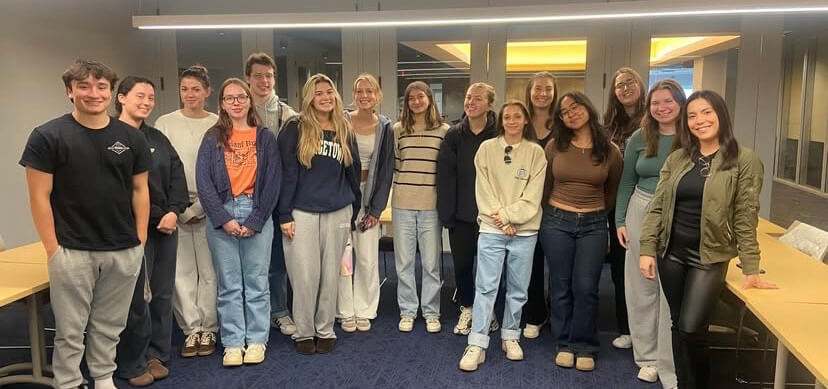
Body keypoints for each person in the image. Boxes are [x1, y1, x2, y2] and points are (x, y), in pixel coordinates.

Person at [20, 59, 151, 389]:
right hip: (71, 250)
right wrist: (53, 249)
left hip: (123, 249)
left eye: (101, 86)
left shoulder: (130, 138)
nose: (93, 93)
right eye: (84, 86)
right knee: (70, 329)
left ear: (111, 92)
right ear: (69, 91)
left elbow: (140, 190)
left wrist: (139, 240)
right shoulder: (48, 136)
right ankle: (68, 382)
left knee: (110, 323)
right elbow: (39, 197)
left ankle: (104, 377)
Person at [639, 90, 777, 388]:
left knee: (691, 328)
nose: (699, 120)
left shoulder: (744, 159)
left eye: (706, 113)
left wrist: (751, 267)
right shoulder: (679, 157)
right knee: (679, 325)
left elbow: (745, 215)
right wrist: (647, 249)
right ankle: (681, 382)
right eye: (692, 115)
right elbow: (658, 207)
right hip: (670, 252)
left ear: (721, 115)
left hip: (709, 257)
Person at [196, 78, 280, 367]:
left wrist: (256, 220)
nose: (236, 102)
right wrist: (223, 219)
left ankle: (257, 340)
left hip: (256, 210)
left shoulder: (264, 137)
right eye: (229, 98)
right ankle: (233, 343)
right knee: (230, 284)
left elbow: (273, 182)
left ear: (249, 101)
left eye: (241, 97)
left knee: (257, 281)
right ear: (221, 103)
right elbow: (203, 182)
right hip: (223, 212)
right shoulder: (212, 137)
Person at [458, 101, 546, 372]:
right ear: (501, 120)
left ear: (525, 120)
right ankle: (478, 343)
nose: (511, 120)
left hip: (524, 230)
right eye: (507, 116)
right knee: (486, 287)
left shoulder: (535, 152)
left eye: (517, 116)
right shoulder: (486, 149)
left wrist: (510, 217)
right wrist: (501, 217)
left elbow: (534, 194)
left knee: (518, 289)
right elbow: (483, 189)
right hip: (492, 228)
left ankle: (510, 336)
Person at [114, 77, 189, 387]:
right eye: (139, 96)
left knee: (161, 294)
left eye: (150, 97)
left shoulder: (157, 137)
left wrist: (174, 211)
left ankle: (157, 353)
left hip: (164, 229)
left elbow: (177, 174)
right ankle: (133, 359)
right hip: (128, 232)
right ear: (121, 98)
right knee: (134, 300)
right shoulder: (109, 137)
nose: (146, 102)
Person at [278, 73, 361, 355]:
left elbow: (353, 171)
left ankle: (325, 328)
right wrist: (284, 214)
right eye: (318, 93)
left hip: (338, 211)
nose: (325, 97)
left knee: (329, 275)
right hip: (301, 212)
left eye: (329, 92)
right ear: (309, 98)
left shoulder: (344, 128)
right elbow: (286, 174)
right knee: (304, 275)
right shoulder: (295, 127)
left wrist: (354, 208)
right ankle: (304, 331)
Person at [541, 91, 623, 372]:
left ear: (587, 107)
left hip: (593, 225)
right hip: (556, 222)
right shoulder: (555, 146)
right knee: (560, 287)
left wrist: (594, 210)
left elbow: (612, 191)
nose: (571, 113)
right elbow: (545, 185)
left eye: (575, 107)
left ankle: (585, 345)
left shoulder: (610, 150)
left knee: (586, 287)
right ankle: (563, 343)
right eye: (564, 112)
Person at [614, 79, 684, 387]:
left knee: (671, 287)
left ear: (680, 103)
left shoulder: (692, 137)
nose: (662, 107)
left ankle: (669, 361)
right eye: (656, 103)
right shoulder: (639, 138)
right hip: (640, 209)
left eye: (668, 101)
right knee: (642, 286)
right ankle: (647, 357)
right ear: (649, 106)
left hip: (680, 213)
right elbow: (626, 182)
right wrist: (620, 221)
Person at [155, 65, 220, 358]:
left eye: (196, 89)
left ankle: (209, 327)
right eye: (184, 89)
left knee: (210, 271)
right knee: (181, 272)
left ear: (207, 91)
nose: (190, 94)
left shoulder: (219, 123)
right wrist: (178, 208)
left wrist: (203, 205)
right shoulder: (165, 123)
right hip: (174, 208)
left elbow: (224, 172)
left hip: (211, 205)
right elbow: (160, 170)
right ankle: (191, 329)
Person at [243, 52, 299, 336]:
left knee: (277, 260)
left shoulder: (288, 115)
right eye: (258, 76)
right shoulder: (237, 111)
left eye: (269, 75)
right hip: (243, 198)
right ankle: (252, 314)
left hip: (276, 199)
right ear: (247, 79)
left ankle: (279, 311)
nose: (264, 81)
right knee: (249, 262)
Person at [437, 82, 497, 336]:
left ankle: (489, 312)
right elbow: (445, 177)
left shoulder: (500, 134)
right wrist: (446, 213)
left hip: (491, 217)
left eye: (478, 99)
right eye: (468, 97)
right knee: (461, 266)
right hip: (461, 215)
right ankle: (467, 307)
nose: (471, 102)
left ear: (489, 104)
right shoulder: (453, 135)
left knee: (489, 270)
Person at [336, 73, 393, 333]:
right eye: (360, 91)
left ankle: (365, 308)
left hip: (370, 196)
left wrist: (376, 209)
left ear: (378, 95)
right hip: (343, 196)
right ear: (353, 94)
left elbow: (386, 171)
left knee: (368, 259)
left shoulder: (385, 126)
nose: (365, 95)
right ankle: (345, 311)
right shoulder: (341, 122)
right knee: (344, 259)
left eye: (370, 91)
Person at [392, 81, 450, 333]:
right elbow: (395, 165)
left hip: (431, 205)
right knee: (403, 263)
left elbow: (445, 169)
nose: (416, 101)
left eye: (420, 97)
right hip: (403, 203)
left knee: (431, 263)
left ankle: (431, 312)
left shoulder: (444, 130)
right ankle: (407, 311)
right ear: (406, 103)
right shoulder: (398, 130)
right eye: (411, 98)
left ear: (429, 99)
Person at [603, 67, 646, 350]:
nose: (625, 88)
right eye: (619, 86)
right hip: (616, 205)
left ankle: (647, 331)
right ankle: (626, 327)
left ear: (640, 85)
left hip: (644, 204)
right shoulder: (609, 126)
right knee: (620, 268)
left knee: (644, 268)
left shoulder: (653, 121)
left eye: (629, 83)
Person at [521, 71, 557, 339]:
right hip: (526, 204)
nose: (542, 93)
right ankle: (534, 314)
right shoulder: (521, 123)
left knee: (559, 265)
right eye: (537, 89)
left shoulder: (563, 124)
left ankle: (559, 314)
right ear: (529, 92)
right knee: (530, 263)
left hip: (558, 205)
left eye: (548, 89)